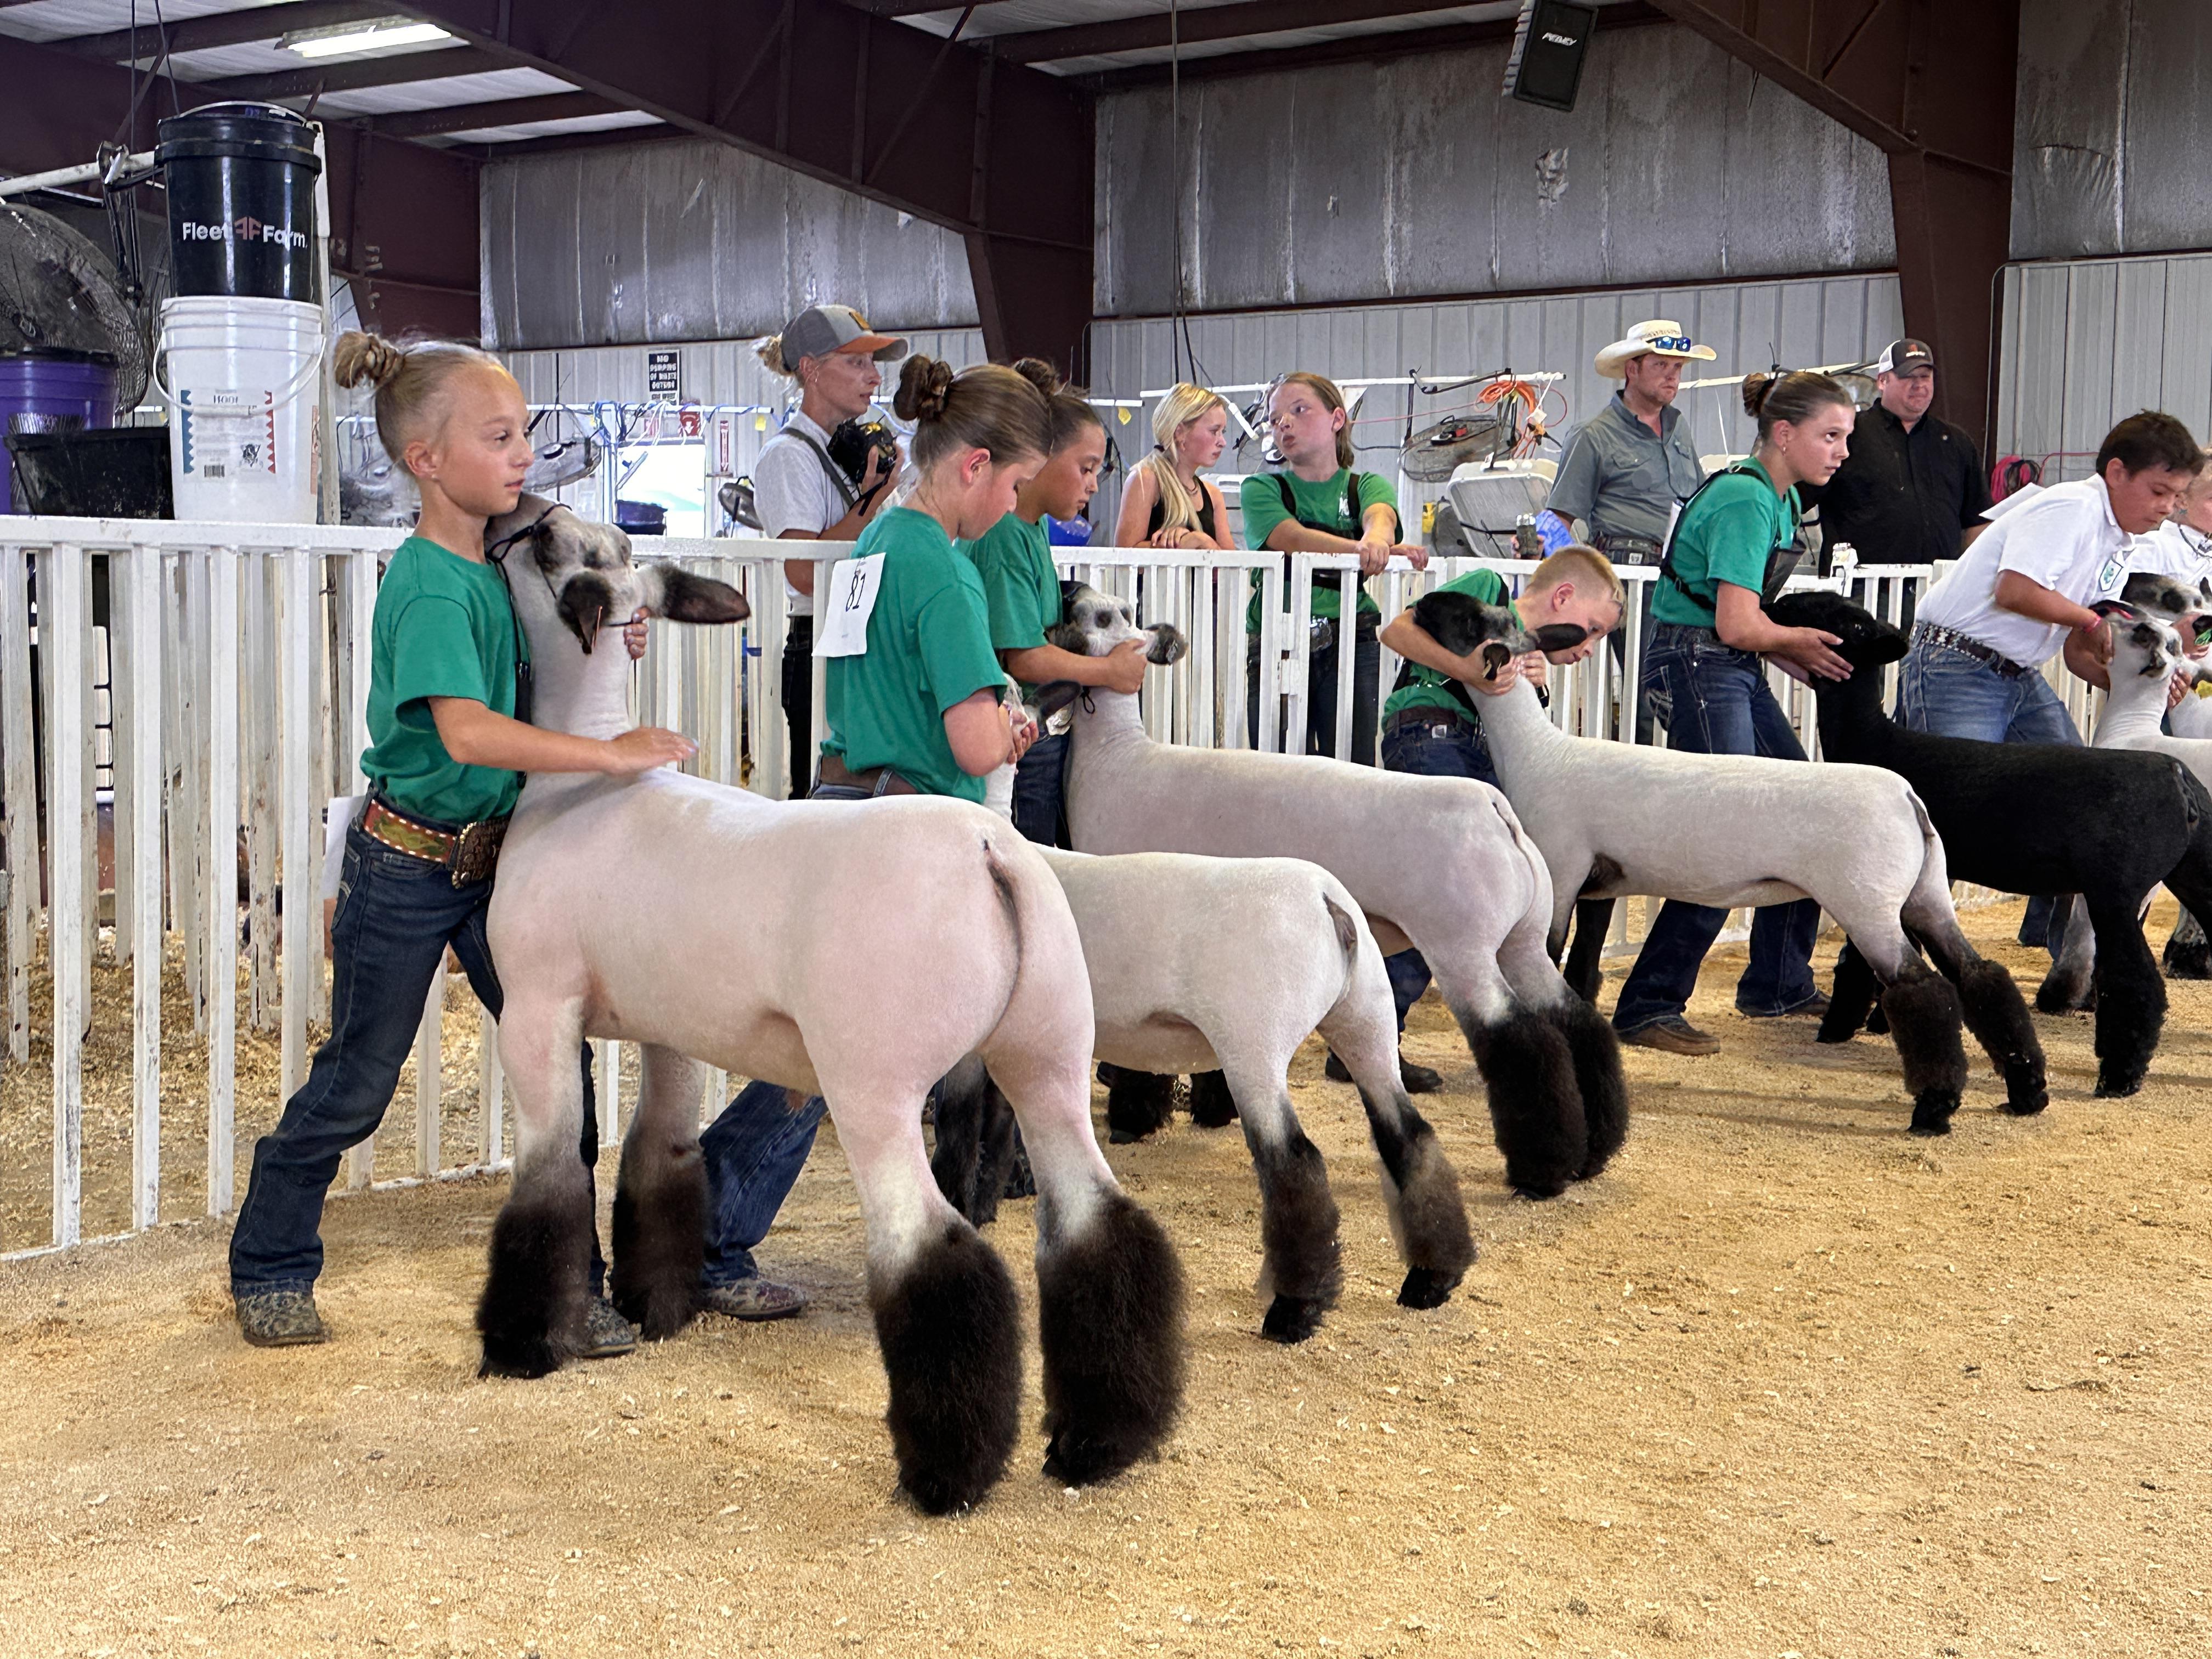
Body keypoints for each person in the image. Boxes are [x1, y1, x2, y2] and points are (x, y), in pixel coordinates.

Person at [229, 332, 693, 1348]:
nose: (523, 452)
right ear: (425, 460)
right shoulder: (436, 583)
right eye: (498, 437)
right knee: (357, 1080)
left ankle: (575, 1286)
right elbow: (465, 729)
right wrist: (608, 756)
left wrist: (618, 624)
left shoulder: (497, 559)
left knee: (555, 1068)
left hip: (498, 860)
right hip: (406, 862)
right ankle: (269, 1260)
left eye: (524, 432)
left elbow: (546, 645)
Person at [1609, 371, 1860, 1057]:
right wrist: (1792, 643)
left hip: (1720, 665)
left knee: (1801, 807)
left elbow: (1741, 627)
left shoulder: (1775, 501)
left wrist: (1780, 651)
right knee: (1728, 832)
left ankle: (1777, 981)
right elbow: (1736, 623)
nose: (1841, 451)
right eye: (1830, 436)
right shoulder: (1749, 502)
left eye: (1845, 438)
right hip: (1697, 664)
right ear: (1785, 434)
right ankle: (1649, 1003)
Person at [1372, 544, 1626, 1086]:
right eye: (1592, 627)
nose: (1590, 645)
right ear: (1561, 596)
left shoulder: (1528, 658)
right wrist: (1468, 668)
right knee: (1445, 894)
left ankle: (1382, 1035)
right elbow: (1395, 631)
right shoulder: (1489, 590)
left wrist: (1534, 686)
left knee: (1458, 898)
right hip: (1430, 730)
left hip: (1468, 749)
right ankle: (1376, 1037)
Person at [1900, 412, 2203, 742]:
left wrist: (2145, 685)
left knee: (2073, 781)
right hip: (1957, 665)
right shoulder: (2073, 506)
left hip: (2016, 674)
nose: (2167, 508)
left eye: (2176, 497)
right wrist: (2091, 620)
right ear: (2117, 473)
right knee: (1960, 787)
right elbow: (2015, 591)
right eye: (2159, 492)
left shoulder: (2119, 543)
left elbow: (2077, 651)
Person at [964, 360, 1150, 845]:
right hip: (1019, 734)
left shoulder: (1030, 527)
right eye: (1085, 468)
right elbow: (1023, 657)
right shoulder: (1003, 534)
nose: (1093, 484)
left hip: (1039, 726)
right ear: (1039, 458)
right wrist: (1109, 672)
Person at [752, 305, 910, 800]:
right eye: (857, 362)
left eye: (873, 363)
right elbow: (804, 572)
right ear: (811, 369)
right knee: (822, 801)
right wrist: (875, 498)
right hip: (818, 642)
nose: (875, 376)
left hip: (858, 641)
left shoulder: (855, 451)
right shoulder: (788, 456)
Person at [1540, 319, 1715, 743]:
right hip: (1629, 571)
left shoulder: (1679, 428)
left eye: (1678, 367)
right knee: (1651, 687)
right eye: (1662, 365)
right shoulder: (1594, 435)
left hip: (1678, 574)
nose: (1673, 376)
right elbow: (1555, 521)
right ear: (1631, 370)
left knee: (1677, 683)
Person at [1242, 372, 1427, 763]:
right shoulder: (1261, 488)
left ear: (1337, 419)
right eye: (1275, 420)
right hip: (1279, 637)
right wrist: (1370, 549)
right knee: (1275, 764)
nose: (1284, 424)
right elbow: (1292, 538)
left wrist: (1379, 537)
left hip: (1352, 635)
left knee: (1354, 761)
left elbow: (1381, 516)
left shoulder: (1366, 485)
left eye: (1299, 410)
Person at [1816, 338, 1991, 568]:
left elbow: (1977, 521)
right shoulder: (1847, 436)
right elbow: (1794, 499)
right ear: (1882, 380)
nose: (1919, 385)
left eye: (1925, 376)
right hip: (1861, 592)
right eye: (1908, 376)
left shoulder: (1956, 443)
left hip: (1935, 591)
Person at [1114, 383, 1233, 551]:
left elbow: (1233, 567)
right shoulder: (1145, 480)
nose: (1222, 442)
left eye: (1223, 432)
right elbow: (1124, 558)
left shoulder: (1213, 496)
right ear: (1179, 434)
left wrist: (1203, 542)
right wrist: (1182, 546)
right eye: (1214, 431)